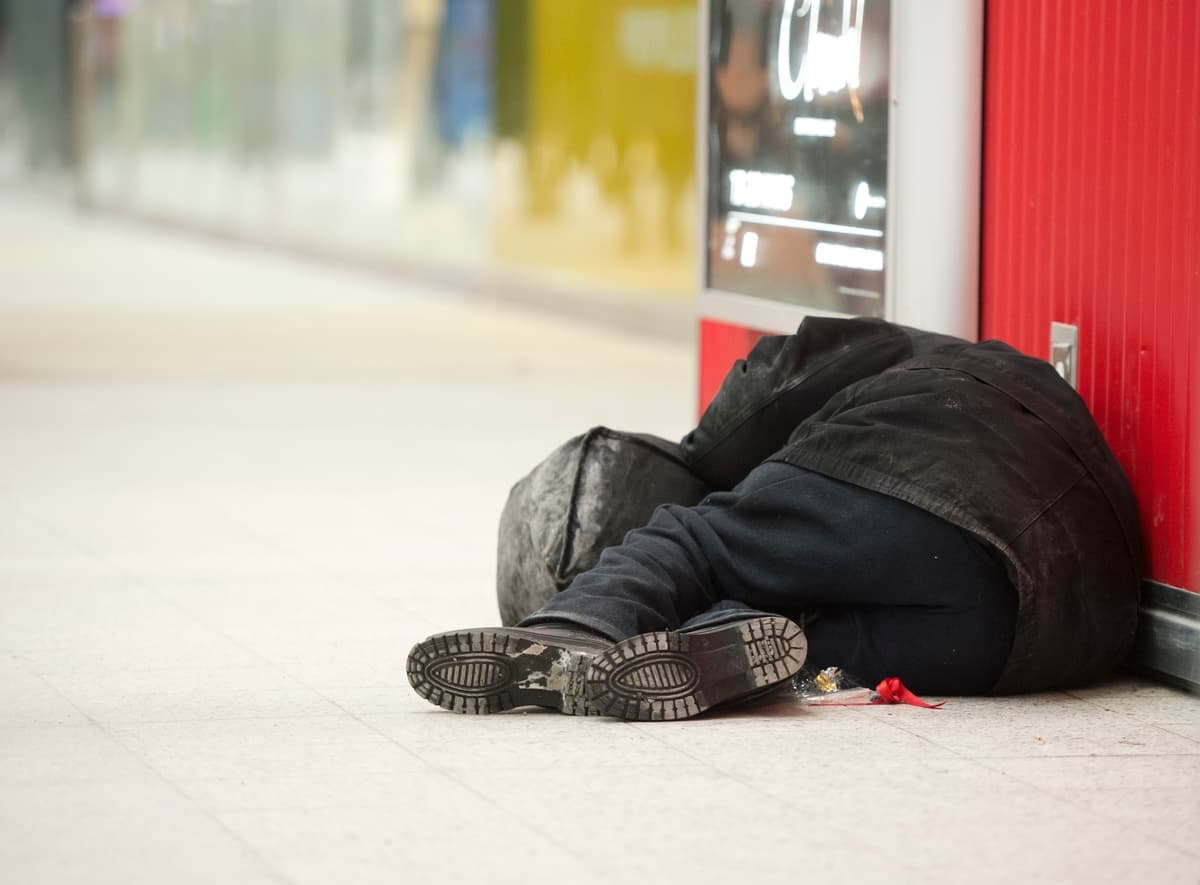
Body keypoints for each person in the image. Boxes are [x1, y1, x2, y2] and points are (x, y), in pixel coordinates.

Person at [407, 317, 1142, 721]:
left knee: (707, 551)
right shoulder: (900, 378)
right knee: (785, 638)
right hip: (1077, 614)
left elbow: (763, 403)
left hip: (982, 570)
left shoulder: (770, 494)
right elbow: (775, 372)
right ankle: (681, 646)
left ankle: (576, 627)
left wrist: (705, 460)